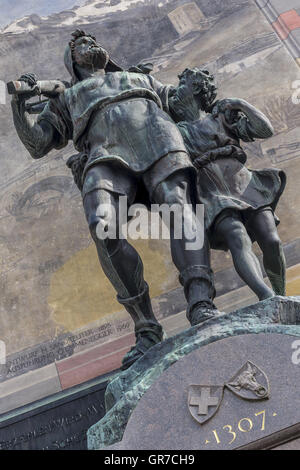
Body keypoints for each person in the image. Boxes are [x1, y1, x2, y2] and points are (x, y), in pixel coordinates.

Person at [10, 31, 219, 370]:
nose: (89, 45)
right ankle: (146, 326)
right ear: (72, 61)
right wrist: (19, 106)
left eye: (92, 41)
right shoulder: (66, 97)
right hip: (105, 156)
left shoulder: (139, 77)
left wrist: (198, 85)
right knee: (103, 227)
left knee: (178, 206)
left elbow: (182, 106)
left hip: (160, 141)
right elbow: (38, 144)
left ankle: (200, 301)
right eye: (80, 45)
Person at [171, 68, 286, 300]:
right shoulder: (174, 132)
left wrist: (240, 104)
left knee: (271, 240)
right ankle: (267, 298)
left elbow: (265, 130)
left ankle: (281, 294)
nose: (175, 90)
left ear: (195, 88)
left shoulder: (221, 118)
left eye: (182, 83)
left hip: (244, 185)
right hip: (212, 193)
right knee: (237, 236)